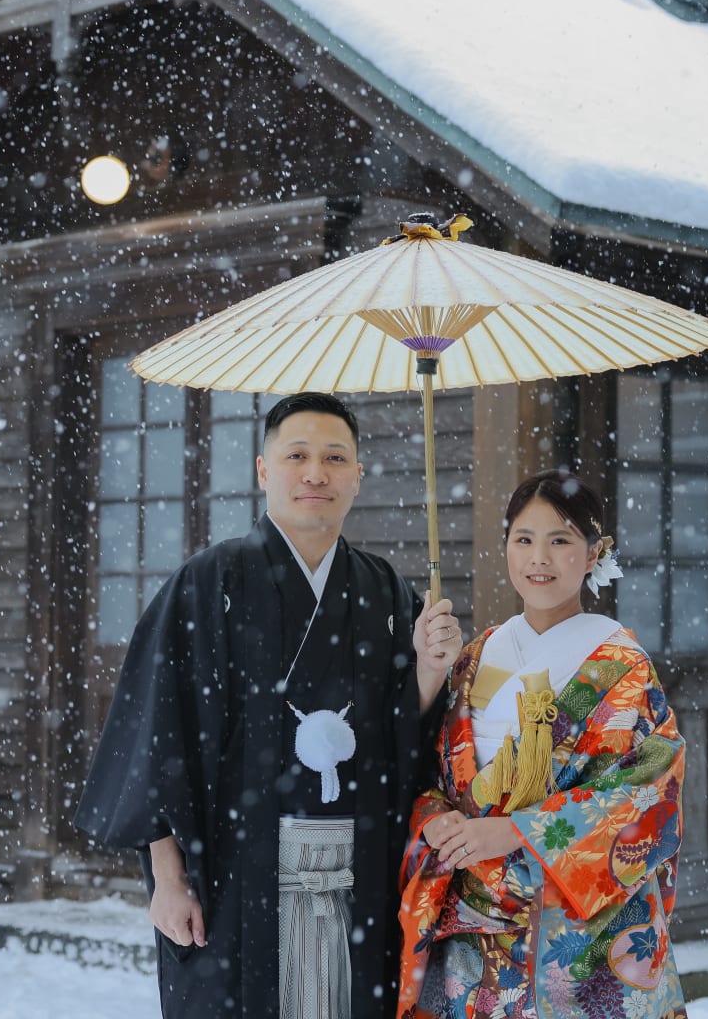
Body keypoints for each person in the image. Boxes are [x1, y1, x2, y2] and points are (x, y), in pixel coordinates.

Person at [75, 392, 463, 1019]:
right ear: (263, 471)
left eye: (336, 458)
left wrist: (428, 669)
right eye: (298, 455)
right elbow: (159, 736)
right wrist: (167, 877)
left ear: (358, 477)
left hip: (357, 877)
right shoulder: (208, 585)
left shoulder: (386, 592)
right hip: (234, 877)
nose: (316, 473)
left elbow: (405, 742)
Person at [396, 469, 687, 1019]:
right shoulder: (479, 654)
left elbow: (652, 793)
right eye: (524, 539)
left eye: (561, 540)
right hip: (471, 937)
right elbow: (431, 772)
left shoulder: (622, 666)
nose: (539, 559)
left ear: (594, 551)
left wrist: (515, 833)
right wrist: (435, 819)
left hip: (575, 939)